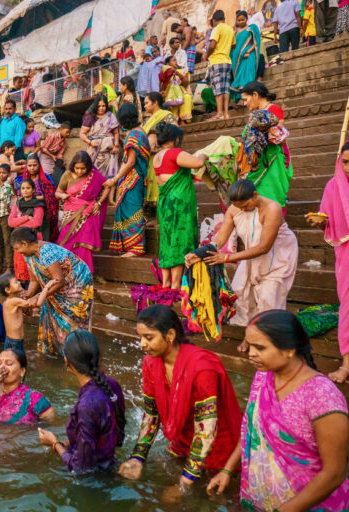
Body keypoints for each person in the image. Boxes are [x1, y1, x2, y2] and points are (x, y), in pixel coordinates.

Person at [206, 310, 349, 511]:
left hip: (310, 504)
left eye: (260, 347)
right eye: (250, 345)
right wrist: (227, 471)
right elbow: (250, 430)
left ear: (289, 349)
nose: (250, 353)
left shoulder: (322, 396)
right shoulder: (263, 376)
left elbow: (335, 473)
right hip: (262, 498)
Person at [119, 305, 242, 500]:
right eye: (140, 337)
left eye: (149, 338)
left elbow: (206, 430)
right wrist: (137, 457)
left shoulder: (202, 368)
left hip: (217, 447)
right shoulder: (150, 363)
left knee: (211, 497)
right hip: (182, 442)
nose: (142, 344)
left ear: (170, 335)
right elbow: (151, 414)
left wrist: (183, 484)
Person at [188, 179, 298, 326]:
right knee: (241, 293)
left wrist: (227, 258)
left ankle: (270, 338)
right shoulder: (234, 209)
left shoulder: (272, 208)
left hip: (279, 254)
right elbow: (220, 238)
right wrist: (201, 253)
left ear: (255, 195)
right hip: (251, 254)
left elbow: (264, 247)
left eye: (246, 206)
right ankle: (250, 335)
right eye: (238, 207)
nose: (243, 210)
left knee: (269, 298)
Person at [38, 331, 125, 472]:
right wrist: (68, 443)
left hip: (94, 479)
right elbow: (115, 433)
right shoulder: (112, 385)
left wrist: (54, 443)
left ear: (67, 361)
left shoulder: (87, 404)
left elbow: (80, 467)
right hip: (110, 463)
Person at [10, 228, 94, 355]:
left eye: (17, 248)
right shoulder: (28, 256)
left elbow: (59, 281)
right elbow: (34, 281)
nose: (17, 252)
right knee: (51, 313)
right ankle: (57, 350)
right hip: (56, 286)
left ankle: (77, 352)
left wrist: (39, 296)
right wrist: (28, 295)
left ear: (24, 244)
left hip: (77, 282)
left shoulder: (46, 252)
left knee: (73, 320)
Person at [307, 142, 349, 382]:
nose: (348, 167)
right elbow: (327, 218)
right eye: (344, 162)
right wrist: (320, 222)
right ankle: (346, 363)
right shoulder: (333, 186)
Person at [152, 123, 206, 289]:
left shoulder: (157, 156)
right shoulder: (174, 152)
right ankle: (175, 286)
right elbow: (197, 163)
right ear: (175, 139)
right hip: (178, 205)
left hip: (165, 203)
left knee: (167, 242)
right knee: (179, 241)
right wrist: (204, 155)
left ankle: (166, 282)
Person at [105, 103, 151, 257]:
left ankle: (136, 248)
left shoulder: (133, 136)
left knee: (133, 211)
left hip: (133, 179)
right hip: (138, 178)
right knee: (131, 210)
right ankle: (131, 246)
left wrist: (115, 179)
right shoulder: (141, 132)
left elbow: (130, 162)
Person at [239, 83, 293, 208]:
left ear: (255, 95)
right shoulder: (256, 114)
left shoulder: (273, 110)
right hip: (257, 161)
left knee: (271, 196)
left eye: (245, 99)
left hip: (271, 160)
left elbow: (281, 138)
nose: (245, 104)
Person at [56, 151, 110, 273]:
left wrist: (99, 203)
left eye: (83, 168)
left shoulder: (93, 175)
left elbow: (107, 186)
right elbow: (57, 192)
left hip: (87, 214)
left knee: (83, 244)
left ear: (88, 167)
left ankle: (83, 273)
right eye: (77, 168)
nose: (80, 171)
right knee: (65, 240)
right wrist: (62, 196)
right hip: (70, 212)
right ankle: (66, 271)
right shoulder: (67, 175)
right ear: (73, 166)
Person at [0, 272, 56, 351]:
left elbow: (29, 313)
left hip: (14, 340)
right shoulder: (13, 301)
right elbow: (38, 304)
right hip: (14, 342)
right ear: (8, 290)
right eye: (16, 282)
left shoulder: (14, 301)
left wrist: (25, 299)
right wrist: (46, 288)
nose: (19, 282)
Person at [13, 154, 59, 242]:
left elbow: (52, 197)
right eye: (29, 165)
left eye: (34, 165)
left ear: (39, 165)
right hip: (25, 213)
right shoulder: (21, 180)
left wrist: (39, 198)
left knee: (42, 239)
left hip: (42, 214)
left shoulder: (47, 179)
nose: (32, 168)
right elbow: (19, 196)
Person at [142, 92, 177, 206]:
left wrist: (161, 147)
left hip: (161, 155)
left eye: (147, 103)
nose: (145, 106)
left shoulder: (167, 115)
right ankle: (156, 218)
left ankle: (159, 220)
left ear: (155, 102)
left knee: (161, 188)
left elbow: (174, 132)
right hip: (150, 157)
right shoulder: (148, 120)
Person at [9, 178, 45, 282]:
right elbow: (10, 222)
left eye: (28, 188)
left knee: (33, 267)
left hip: (33, 238)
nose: (25, 190)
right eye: (23, 188)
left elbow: (37, 222)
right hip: (19, 239)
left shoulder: (38, 205)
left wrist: (19, 224)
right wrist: (26, 218)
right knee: (21, 268)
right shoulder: (17, 204)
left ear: (33, 190)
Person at [79, 94, 120, 179]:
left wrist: (116, 145)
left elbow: (116, 132)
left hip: (109, 152)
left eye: (103, 106)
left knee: (107, 178)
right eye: (99, 106)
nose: (101, 108)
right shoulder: (90, 117)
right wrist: (90, 142)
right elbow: (82, 134)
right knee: (93, 175)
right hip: (94, 150)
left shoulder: (110, 116)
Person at [207, 10, 235, 121]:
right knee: (225, 87)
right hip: (227, 61)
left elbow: (212, 45)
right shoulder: (230, 29)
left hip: (217, 60)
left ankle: (219, 113)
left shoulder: (216, 28)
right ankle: (226, 113)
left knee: (218, 88)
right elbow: (233, 45)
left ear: (214, 20)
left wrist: (207, 54)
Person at [230, 10, 262, 105]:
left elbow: (256, 42)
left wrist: (248, 51)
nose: (240, 22)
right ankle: (241, 98)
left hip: (249, 57)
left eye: (242, 19)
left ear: (247, 19)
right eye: (238, 20)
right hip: (238, 61)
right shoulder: (235, 33)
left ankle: (245, 99)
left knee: (247, 77)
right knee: (239, 78)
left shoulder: (252, 28)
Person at [160, 55, 193, 125]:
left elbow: (186, 84)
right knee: (171, 99)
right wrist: (168, 76)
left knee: (186, 97)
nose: (176, 62)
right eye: (174, 60)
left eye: (176, 60)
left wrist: (178, 74)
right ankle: (174, 121)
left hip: (182, 91)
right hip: (169, 93)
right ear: (168, 63)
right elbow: (162, 88)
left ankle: (183, 120)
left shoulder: (181, 71)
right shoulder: (164, 72)